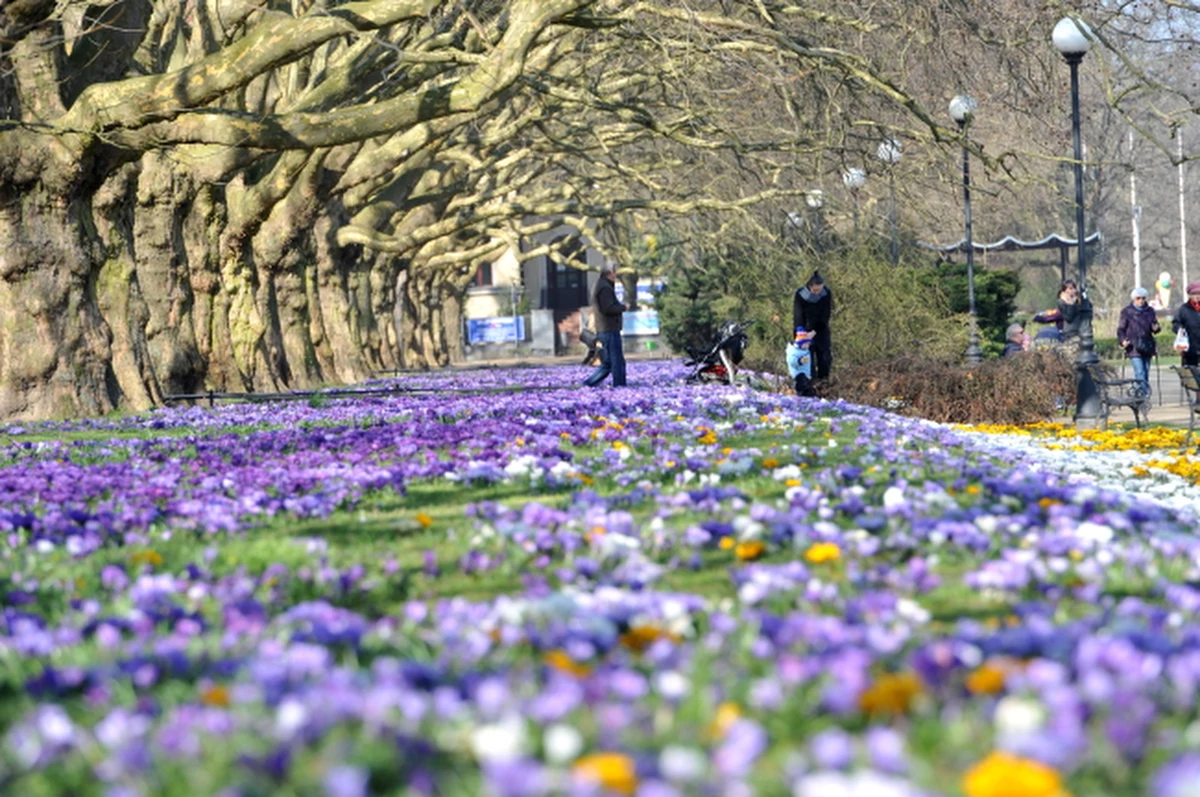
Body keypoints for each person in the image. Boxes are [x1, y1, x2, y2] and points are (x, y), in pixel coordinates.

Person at [583, 266, 627, 387]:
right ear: (610, 273)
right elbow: (608, 308)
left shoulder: (601, 285)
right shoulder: (604, 288)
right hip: (609, 329)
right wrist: (623, 307)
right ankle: (620, 386)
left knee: (607, 363)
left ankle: (589, 384)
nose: (616, 275)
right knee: (616, 361)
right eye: (615, 272)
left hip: (606, 329)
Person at [1116, 286, 1161, 395]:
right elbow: (1121, 329)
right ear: (1133, 299)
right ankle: (1143, 396)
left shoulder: (1150, 311)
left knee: (1145, 372)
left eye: (1143, 298)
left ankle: (1138, 392)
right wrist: (1122, 341)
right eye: (1138, 298)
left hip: (1147, 345)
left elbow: (1155, 326)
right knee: (1139, 372)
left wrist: (1156, 328)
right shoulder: (1127, 312)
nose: (1141, 300)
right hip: (1133, 347)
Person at [793, 271, 832, 380]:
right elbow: (798, 315)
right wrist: (802, 334)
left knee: (824, 359)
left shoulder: (826, 294)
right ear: (810, 287)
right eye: (815, 290)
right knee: (807, 362)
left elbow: (825, 315)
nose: (817, 292)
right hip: (804, 331)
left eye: (819, 289)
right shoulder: (800, 295)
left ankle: (824, 383)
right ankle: (810, 385)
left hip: (820, 330)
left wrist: (814, 332)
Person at [1173, 281, 1200, 368]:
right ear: (1190, 295)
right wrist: (1180, 329)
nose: (1196, 296)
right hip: (1190, 348)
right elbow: (1176, 323)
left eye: (1198, 293)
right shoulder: (1184, 309)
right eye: (1193, 294)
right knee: (1189, 376)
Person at [786, 327, 815, 396]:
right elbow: (790, 360)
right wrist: (799, 361)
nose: (808, 346)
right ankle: (801, 393)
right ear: (800, 344)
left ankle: (807, 393)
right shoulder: (794, 351)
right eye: (806, 344)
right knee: (801, 383)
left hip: (806, 372)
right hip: (798, 372)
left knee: (806, 383)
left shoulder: (805, 351)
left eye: (808, 344)